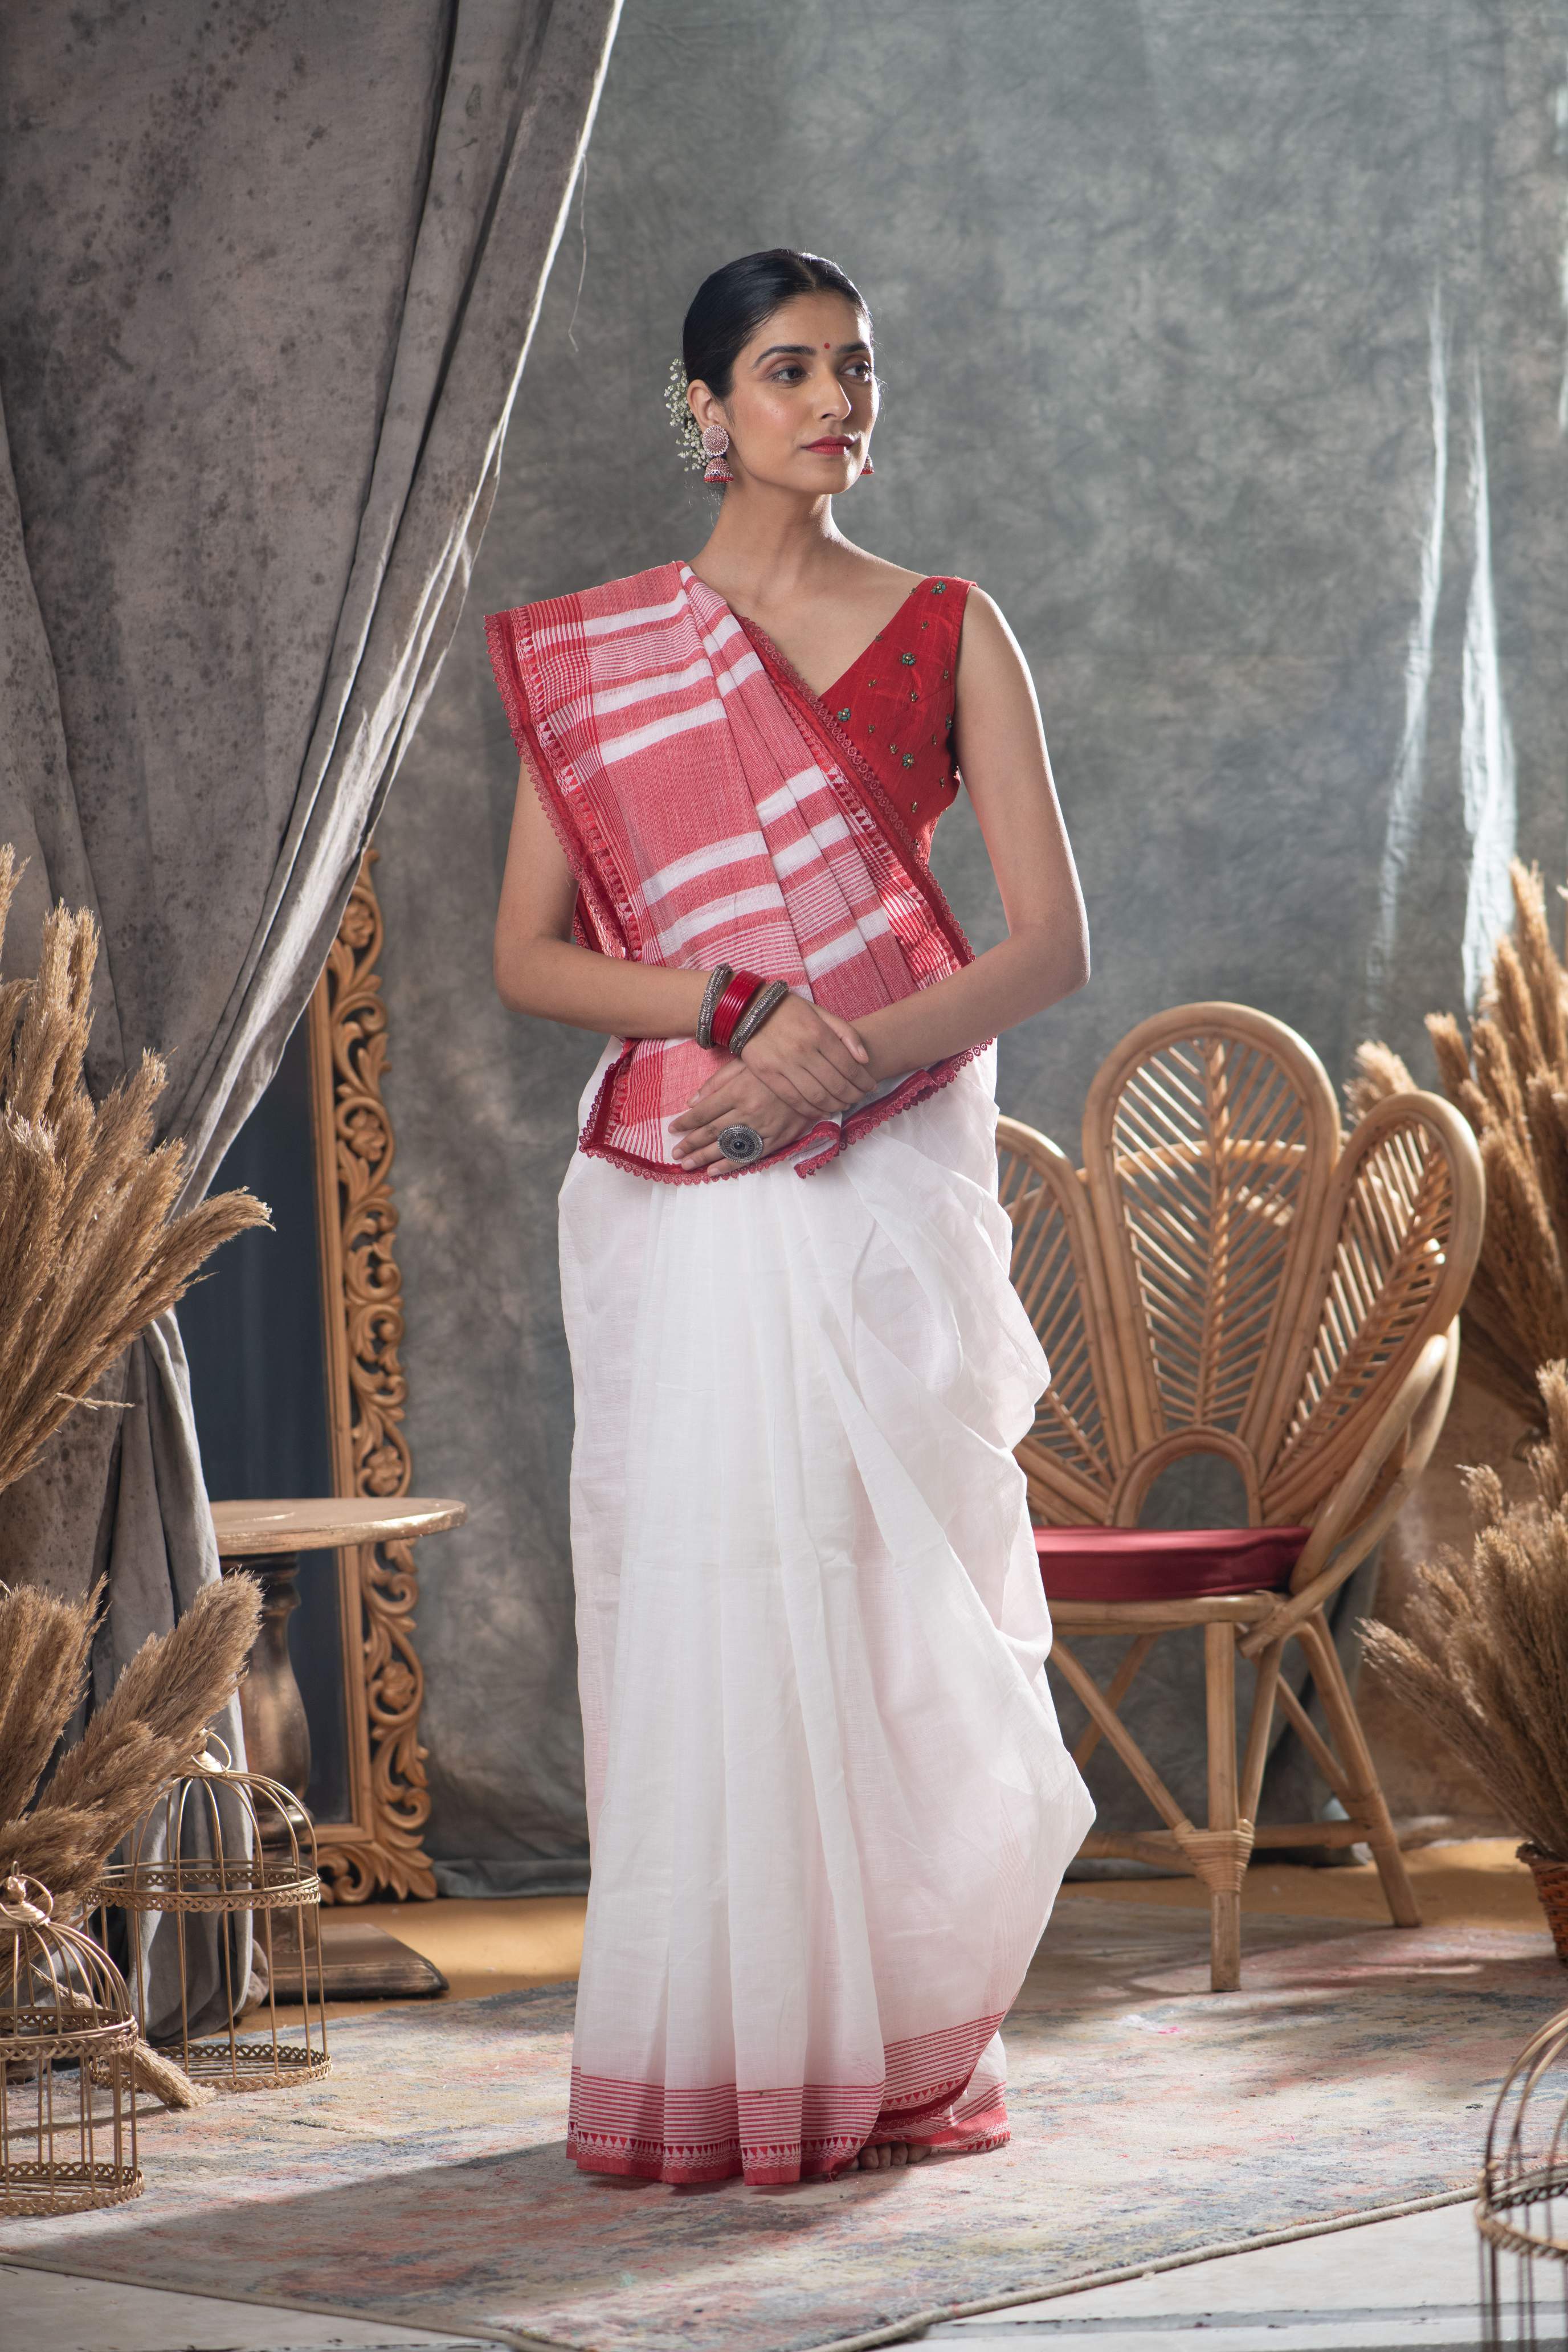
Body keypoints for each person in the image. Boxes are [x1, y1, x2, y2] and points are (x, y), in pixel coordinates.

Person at [488, 248, 1094, 2186]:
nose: (833, 399)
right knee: (713, 1593)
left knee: (883, 1601)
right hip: (690, 1182)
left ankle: (892, 2045)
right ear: (706, 410)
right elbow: (529, 958)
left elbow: (1048, 946)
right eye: (785, 370)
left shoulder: (947, 627)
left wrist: (838, 1062)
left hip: (879, 1178)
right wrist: (732, 1011)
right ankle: (726, 2051)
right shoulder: (603, 665)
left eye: (853, 367)